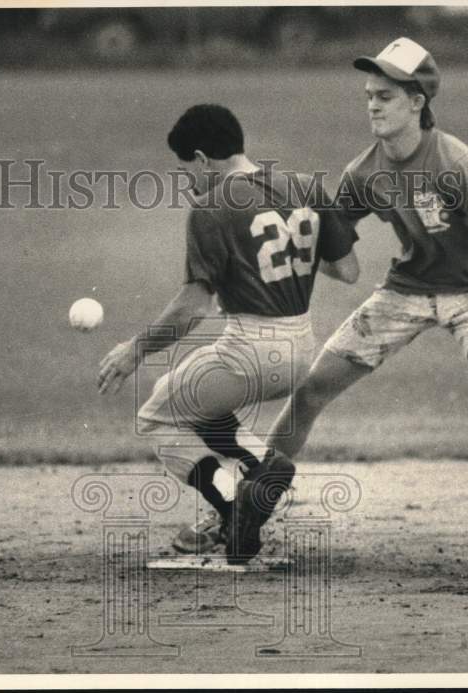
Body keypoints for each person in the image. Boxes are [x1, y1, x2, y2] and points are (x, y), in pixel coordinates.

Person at [266, 38, 468, 567]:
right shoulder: (364, 172)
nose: (372, 104)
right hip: (406, 291)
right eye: (369, 94)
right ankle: (248, 506)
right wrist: (304, 232)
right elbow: (338, 260)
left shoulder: (453, 163)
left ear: (417, 102)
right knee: (311, 389)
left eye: (385, 95)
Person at [97, 104, 359, 563]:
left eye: (187, 171)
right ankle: (260, 470)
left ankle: (236, 501)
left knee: (157, 417)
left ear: (202, 159)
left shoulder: (211, 207)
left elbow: (192, 308)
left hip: (249, 350)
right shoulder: (305, 186)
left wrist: (134, 350)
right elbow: (347, 269)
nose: (189, 182)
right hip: (300, 349)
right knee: (195, 402)